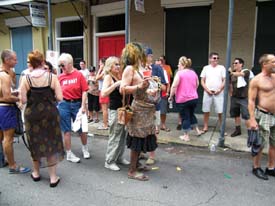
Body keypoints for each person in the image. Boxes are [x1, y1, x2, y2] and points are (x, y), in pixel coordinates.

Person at [20, 50, 64, 187]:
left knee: (35, 143)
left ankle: (36, 173)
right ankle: (52, 177)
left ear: (31, 63)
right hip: (50, 114)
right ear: (43, 61)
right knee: (51, 143)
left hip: (32, 116)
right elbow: (60, 98)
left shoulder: (25, 78)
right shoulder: (52, 77)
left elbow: (22, 99)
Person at [120, 42, 159, 181]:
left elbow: (143, 88)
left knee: (143, 138)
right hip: (138, 111)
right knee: (137, 140)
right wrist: (139, 86)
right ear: (134, 54)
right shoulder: (129, 69)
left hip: (147, 111)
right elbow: (122, 88)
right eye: (140, 52)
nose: (143, 54)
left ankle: (136, 164)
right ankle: (132, 171)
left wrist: (150, 89)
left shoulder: (139, 68)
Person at [0, 49, 30, 174]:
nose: (17, 61)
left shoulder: (6, 73)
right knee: (8, 139)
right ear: (7, 60)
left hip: (2, 108)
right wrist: (19, 98)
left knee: (1, 137)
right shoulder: (5, 76)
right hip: (6, 109)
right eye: (14, 59)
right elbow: (7, 97)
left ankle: (2, 161)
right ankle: (13, 166)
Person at [57, 53, 90, 163]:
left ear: (70, 64)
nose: (61, 68)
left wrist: (83, 105)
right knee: (66, 130)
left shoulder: (78, 75)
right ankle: (69, 153)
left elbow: (84, 90)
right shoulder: (60, 77)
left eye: (63, 65)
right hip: (64, 105)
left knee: (82, 129)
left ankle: (85, 148)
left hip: (77, 104)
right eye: (60, 65)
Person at [248, 54, 275, 180]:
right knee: (260, 144)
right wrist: (252, 119)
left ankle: (270, 168)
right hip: (263, 115)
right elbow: (251, 101)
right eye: (273, 62)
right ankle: (256, 167)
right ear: (265, 64)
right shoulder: (257, 80)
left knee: (274, 143)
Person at [101, 56, 129, 171]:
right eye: (115, 64)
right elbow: (103, 93)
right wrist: (116, 85)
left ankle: (119, 157)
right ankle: (109, 160)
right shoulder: (108, 77)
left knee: (122, 135)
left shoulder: (118, 76)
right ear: (110, 66)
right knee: (115, 136)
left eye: (119, 64)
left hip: (122, 110)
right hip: (115, 111)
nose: (118, 66)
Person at [169, 56, 203, 141]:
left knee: (185, 117)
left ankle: (186, 136)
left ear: (183, 65)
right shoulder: (193, 73)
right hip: (194, 98)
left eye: (179, 64)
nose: (178, 65)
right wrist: (192, 91)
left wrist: (170, 96)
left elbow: (174, 86)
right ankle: (198, 131)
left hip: (183, 99)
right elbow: (197, 84)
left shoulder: (179, 73)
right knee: (191, 114)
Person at [144, 47, 167, 166]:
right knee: (141, 129)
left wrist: (153, 80)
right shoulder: (139, 69)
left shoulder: (157, 68)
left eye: (148, 56)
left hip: (154, 105)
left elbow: (163, 88)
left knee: (153, 130)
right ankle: (142, 151)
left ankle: (152, 155)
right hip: (142, 105)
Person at [200, 52, 226, 133]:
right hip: (208, 92)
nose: (216, 60)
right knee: (206, 110)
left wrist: (219, 89)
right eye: (214, 58)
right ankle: (205, 126)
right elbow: (202, 80)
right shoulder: (206, 68)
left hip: (219, 93)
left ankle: (222, 128)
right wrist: (207, 90)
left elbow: (224, 80)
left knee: (220, 111)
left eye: (218, 58)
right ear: (210, 59)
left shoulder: (222, 68)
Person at [229, 58, 250, 137]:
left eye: (236, 63)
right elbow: (230, 84)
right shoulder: (232, 74)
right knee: (236, 114)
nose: (234, 64)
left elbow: (241, 74)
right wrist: (230, 92)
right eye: (233, 63)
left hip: (243, 98)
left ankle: (250, 133)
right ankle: (238, 130)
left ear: (241, 64)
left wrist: (231, 72)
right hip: (234, 98)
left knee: (246, 115)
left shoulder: (246, 71)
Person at [96, 58, 109, 130]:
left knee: (104, 109)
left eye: (100, 63)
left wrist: (100, 69)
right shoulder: (107, 71)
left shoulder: (104, 71)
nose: (99, 65)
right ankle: (107, 123)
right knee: (106, 109)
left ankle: (105, 125)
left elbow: (96, 78)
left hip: (103, 91)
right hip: (107, 91)